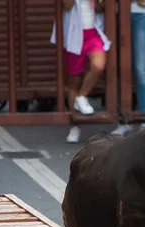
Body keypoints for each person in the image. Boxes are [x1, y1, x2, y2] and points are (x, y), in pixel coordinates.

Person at [51, 0, 111, 143]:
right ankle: (75, 126)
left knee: (98, 65)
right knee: (74, 80)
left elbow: (101, 8)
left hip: (94, 32)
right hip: (74, 34)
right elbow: (67, 6)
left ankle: (82, 96)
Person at [112, 0, 145, 136]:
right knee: (120, 69)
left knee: (141, 70)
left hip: (141, 14)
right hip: (117, 14)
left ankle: (144, 121)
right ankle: (123, 121)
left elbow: (142, 2)